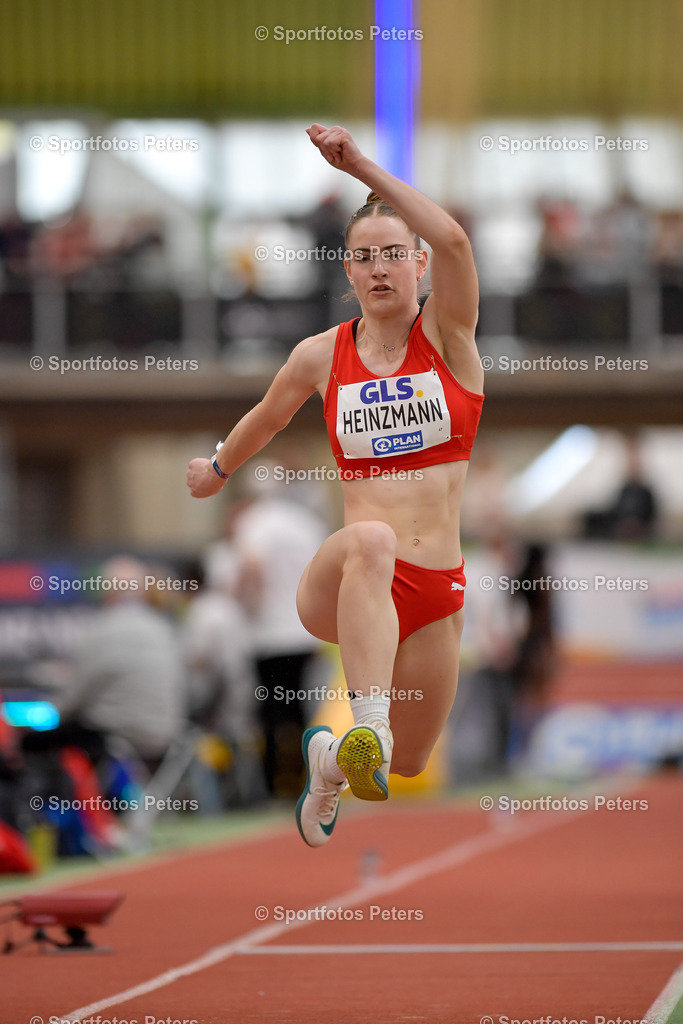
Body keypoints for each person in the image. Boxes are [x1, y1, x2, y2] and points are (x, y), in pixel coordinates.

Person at [187, 123, 484, 847]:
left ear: (416, 265)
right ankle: (365, 726)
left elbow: (454, 241)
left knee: (408, 764)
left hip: (435, 585)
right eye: (362, 258)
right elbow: (268, 414)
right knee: (373, 538)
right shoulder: (321, 355)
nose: (379, 269)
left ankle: (333, 762)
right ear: (347, 273)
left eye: (391, 255)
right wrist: (219, 468)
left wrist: (363, 170)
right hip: (351, 576)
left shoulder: (448, 338)